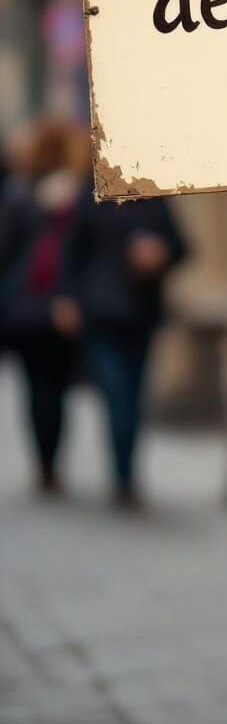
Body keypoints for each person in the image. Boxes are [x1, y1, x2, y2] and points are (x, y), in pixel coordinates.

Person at [56, 184, 186, 507]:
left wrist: (160, 253)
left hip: (139, 315)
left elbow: (182, 246)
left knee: (132, 395)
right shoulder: (92, 194)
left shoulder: (153, 198)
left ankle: (125, 475)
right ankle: (123, 476)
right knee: (116, 394)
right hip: (101, 314)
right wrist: (67, 297)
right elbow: (73, 251)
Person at [0, 117, 90, 495]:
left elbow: (5, 251)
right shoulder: (79, 194)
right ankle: (51, 463)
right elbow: (84, 254)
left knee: (36, 389)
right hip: (61, 308)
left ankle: (45, 463)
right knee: (56, 388)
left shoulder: (19, 193)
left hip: (23, 307)